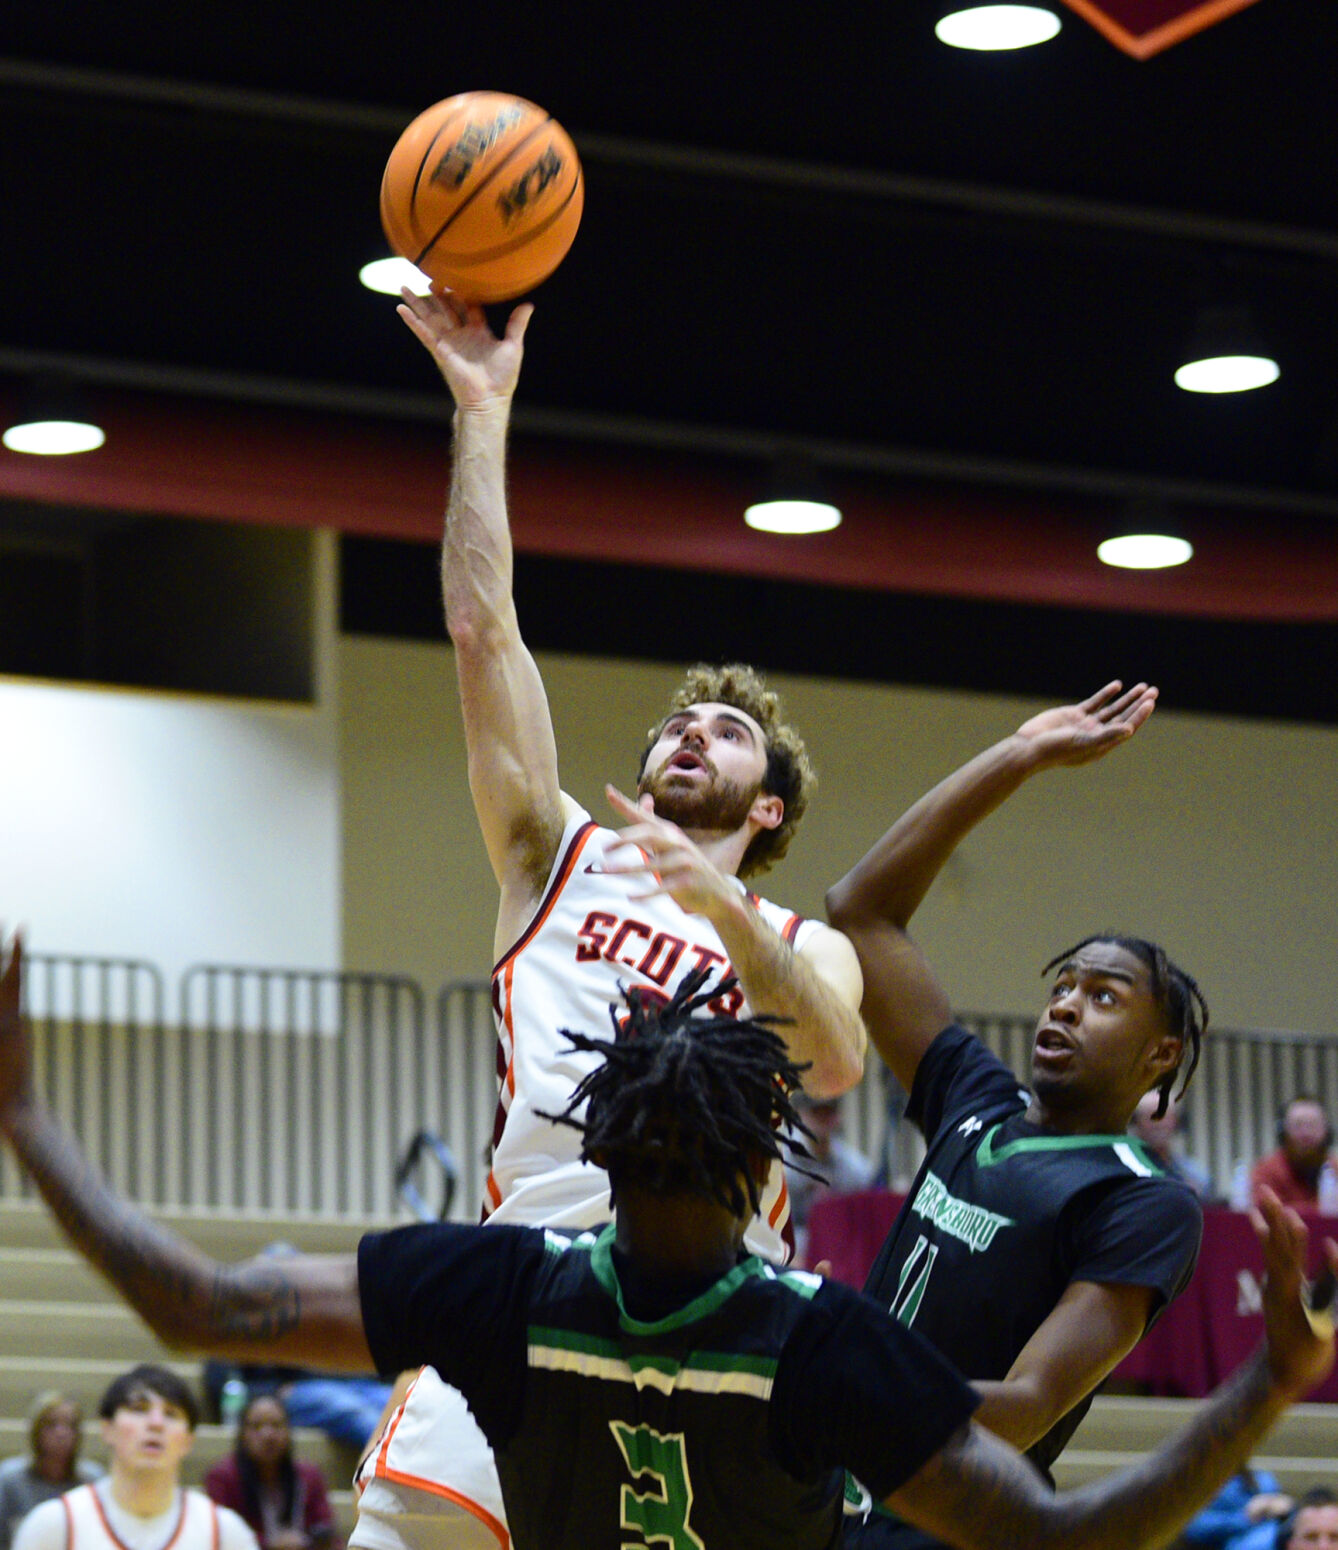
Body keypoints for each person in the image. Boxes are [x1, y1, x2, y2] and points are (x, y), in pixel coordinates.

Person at [0, 935, 1336, 1550]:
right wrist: (1259, 1384)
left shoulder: (502, 1287)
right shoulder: (818, 1339)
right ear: (768, 1161)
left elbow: (191, 1301)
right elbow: (1073, 1531)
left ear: (596, 1143)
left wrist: (23, 1113)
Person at [364, 288, 867, 1545]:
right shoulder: (555, 851)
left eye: (731, 731)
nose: (695, 732)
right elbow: (483, 629)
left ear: (770, 808)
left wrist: (728, 918)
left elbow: (841, 1057)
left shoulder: (802, 942)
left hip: (709, 1324)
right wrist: (484, 411)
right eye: (679, 724)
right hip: (526, 1283)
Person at [825, 681, 1210, 1544]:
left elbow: (1031, 1405)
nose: (1064, 1007)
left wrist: (841, 1395)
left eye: (1103, 997)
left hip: (943, 1521)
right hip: (828, 1498)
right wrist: (1021, 754)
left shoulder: (1146, 1200)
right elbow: (861, 911)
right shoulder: (977, 1100)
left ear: (1162, 1054)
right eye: (1062, 987)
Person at [10, 1365, 256, 1550]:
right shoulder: (53, 1526)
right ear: (108, 1428)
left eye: (171, 1414)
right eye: (139, 1409)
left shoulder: (226, 1534)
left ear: (189, 1439)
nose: (156, 1423)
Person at [205, 1393, 340, 1550]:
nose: (268, 1435)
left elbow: (328, 1534)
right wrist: (272, 1544)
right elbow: (222, 1536)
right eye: (256, 1426)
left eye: (276, 1425)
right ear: (242, 1435)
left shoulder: (309, 1475)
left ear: (289, 1432)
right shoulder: (222, 1477)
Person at [0, 1393, 102, 1550]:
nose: (61, 1433)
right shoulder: (9, 1480)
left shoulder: (92, 1480)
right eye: (51, 1425)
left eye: (70, 1425)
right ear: (36, 1432)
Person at [784, 1094, 877, 1266]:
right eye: (816, 1112)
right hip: (797, 1254)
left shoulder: (855, 1168)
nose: (823, 1118)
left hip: (842, 1255)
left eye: (828, 1112)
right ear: (799, 1114)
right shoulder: (783, 1165)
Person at [1252, 1098, 1338, 1212]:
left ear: (1327, 1132)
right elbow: (1266, 1212)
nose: (1306, 1133)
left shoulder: (1335, 1168)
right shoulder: (1266, 1171)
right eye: (1298, 1125)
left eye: (1313, 1125)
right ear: (1283, 1132)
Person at [1180, 1466, 1294, 1550]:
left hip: (1274, 1534)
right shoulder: (1198, 1485)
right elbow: (1193, 1528)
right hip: (1238, 1542)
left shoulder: (1263, 1479)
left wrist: (1287, 1507)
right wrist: (1246, 1517)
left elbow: (1286, 1509)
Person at [1130, 1090, 1216, 1200]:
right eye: (1152, 1117)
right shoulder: (1123, 1166)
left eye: (1165, 1116)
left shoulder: (1195, 1174)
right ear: (1136, 1122)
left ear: (1176, 1122)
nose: (1159, 1124)